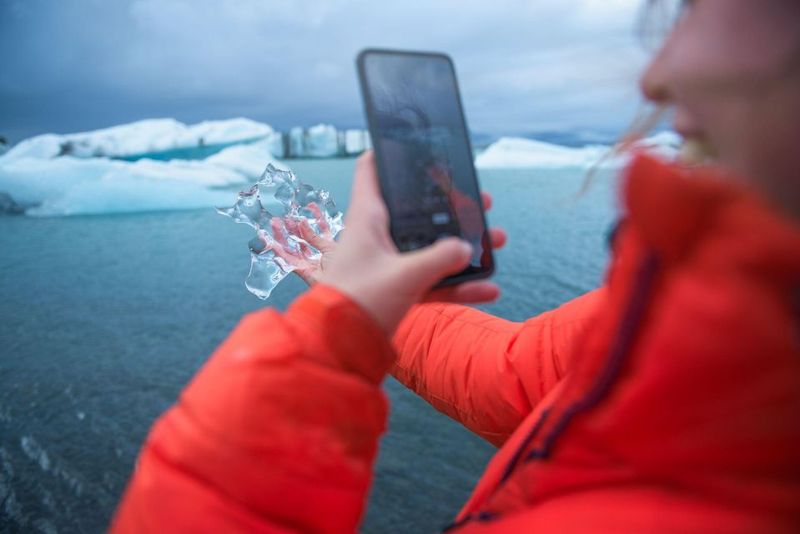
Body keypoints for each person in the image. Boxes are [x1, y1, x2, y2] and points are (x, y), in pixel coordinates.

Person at [112, 0, 800, 531]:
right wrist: (365, 314)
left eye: (697, 8)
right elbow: (524, 380)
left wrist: (315, 349)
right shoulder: (733, 328)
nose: (657, 73)